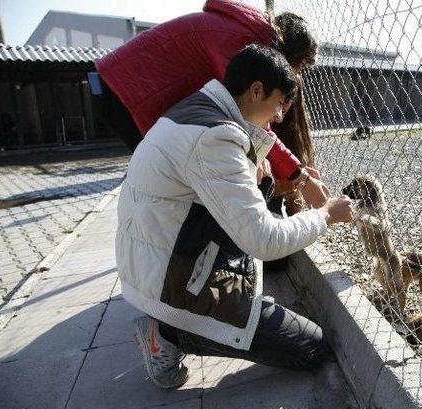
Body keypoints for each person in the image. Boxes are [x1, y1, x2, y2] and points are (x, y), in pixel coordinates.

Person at [117, 44, 354, 389]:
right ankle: (167, 333)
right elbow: (264, 240)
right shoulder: (216, 138)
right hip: (168, 282)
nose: (278, 118)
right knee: (311, 346)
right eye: (278, 105)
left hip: (156, 258)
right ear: (256, 90)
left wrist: (263, 164)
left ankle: (208, 312)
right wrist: (325, 216)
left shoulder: (200, 110)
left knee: (266, 183)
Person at [92, 0, 328, 211]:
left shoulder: (243, 31)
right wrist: (300, 177)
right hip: (120, 93)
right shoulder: (242, 43)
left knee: (173, 180)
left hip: (118, 88)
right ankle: (169, 247)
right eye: (297, 69)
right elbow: (249, 118)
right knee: (170, 184)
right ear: (289, 57)